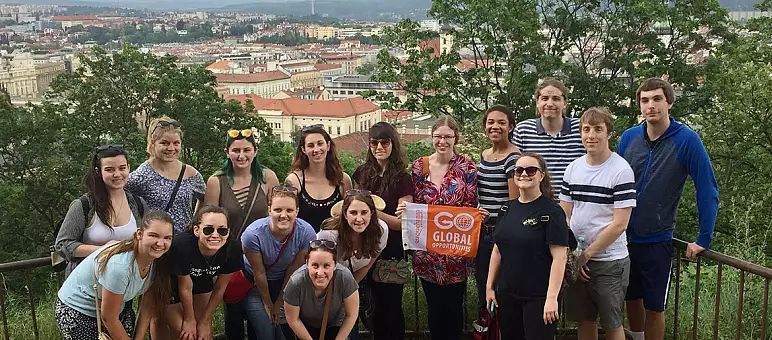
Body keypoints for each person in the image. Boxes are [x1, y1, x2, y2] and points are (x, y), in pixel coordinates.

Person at [617, 78, 719, 340]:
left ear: (669, 103)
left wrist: (704, 237)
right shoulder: (629, 138)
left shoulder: (687, 140)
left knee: (654, 306)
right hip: (622, 237)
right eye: (645, 100)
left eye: (657, 99)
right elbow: (612, 183)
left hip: (657, 238)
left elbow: (707, 189)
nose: (651, 106)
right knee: (631, 298)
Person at [396, 115, 477, 340]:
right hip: (427, 250)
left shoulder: (467, 167)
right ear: (432, 137)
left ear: (456, 138)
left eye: (447, 136)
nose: (442, 141)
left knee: (453, 306)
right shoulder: (419, 166)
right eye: (438, 136)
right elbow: (414, 203)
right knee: (434, 305)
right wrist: (406, 209)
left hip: (455, 249)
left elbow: (469, 206)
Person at [559, 108, 636, 340]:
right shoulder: (573, 168)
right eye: (586, 129)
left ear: (608, 133)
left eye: (597, 129)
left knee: (612, 323)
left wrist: (588, 254)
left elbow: (620, 224)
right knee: (584, 320)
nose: (591, 135)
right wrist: (574, 253)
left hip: (609, 261)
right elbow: (565, 212)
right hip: (578, 258)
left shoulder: (621, 170)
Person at [203, 128, 280, 340]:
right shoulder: (216, 182)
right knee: (233, 316)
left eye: (247, 149)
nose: (241, 155)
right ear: (227, 152)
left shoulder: (268, 178)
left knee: (259, 316)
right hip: (229, 258)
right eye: (235, 150)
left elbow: (277, 214)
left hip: (261, 257)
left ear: (255, 151)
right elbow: (208, 223)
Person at [486, 153, 569, 340]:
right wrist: (489, 287)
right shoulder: (506, 209)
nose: (524, 174)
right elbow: (497, 250)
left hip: (539, 296)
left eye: (531, 170)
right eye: (519, 170)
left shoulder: (552, 212)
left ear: (541, 175)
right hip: (508, 294)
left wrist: (551, 299)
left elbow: (559, 257)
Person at [56, 211, 174, 340]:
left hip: (114, 309)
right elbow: (108, 317)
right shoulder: (120, 266)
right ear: (139, 234)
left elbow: (147, 305)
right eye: (154, 235)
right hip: (78, 309)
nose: (160, 243)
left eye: (167, 238)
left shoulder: (157, 261)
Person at [351, 122, 412, 340]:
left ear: (393, 144)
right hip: (364, 247)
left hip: (391, 251)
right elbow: (352, 209)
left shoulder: (403, 179)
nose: (379, 147)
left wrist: (370, 213)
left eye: (384, 142)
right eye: (374, 142)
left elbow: (401, 223)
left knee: (391, 309)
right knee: (369, 308)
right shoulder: (360, 173)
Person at [56, 145, 148, 278]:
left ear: (129, 167)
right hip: (86, 284)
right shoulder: (84, 205)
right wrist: (106, 250)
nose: (117, 174)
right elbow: (63, 245)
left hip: (123, 283)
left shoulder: (138, 204)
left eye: (122, 168)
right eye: (109, 170)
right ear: (98, 171)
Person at [241, 186, 317, 340]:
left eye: (289, 210)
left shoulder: (306, 232)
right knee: (266, 331)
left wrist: (280, 302)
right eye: (278, 210)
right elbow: (259, 272)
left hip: (286, 283)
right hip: (255, 285)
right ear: (269, 210)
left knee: (284, 333)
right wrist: (269, 304)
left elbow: (294, 269)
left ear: (297, 211)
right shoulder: (252, 235)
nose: (284, 215)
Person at [160, 206, 242, 340]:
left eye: (221, 230)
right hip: (171, 282)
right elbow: (185, 286)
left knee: (203, 334)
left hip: (202, 280)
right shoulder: (182, 245)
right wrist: (189, 320)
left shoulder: (233, 249)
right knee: (184, 332)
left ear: (227, 232)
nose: (215, 235)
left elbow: (220, 287)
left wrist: (205, 320)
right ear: (197, 231)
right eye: (209, 229)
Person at [317, 191, 389, 340]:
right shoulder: (329, 235)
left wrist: (348, 290)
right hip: (325, 283)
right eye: (353, 212)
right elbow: (320, 269)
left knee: (350, 325)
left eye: (364, 212)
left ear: (372, 213)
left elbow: (368, 264)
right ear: (344, 214)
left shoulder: (381, 231)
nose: (359, 218)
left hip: (352, 282)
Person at [475, 105, 520, 317]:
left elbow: (514, 203)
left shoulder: (513, 158)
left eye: (501, 122)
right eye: (490, 122)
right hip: (482, 233)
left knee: (501, 293)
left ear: (510, 127)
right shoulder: (484, 155)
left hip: (501, 234)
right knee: (484, 289)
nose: (495, 126)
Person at [127, 116, 206, 233]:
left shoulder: (191, 174)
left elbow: (204, 198)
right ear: (153, 144)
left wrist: (194, 222)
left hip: (184, 241)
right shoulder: (141, 176)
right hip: (155, 242)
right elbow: (118, 199)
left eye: (176, 143)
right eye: (164, 143)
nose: (171, 148)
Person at [513, 79, 585, 193]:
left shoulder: (581, 128)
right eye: (545, 98)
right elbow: (516, 173)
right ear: (537, 102)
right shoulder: (523, 131)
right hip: (536, 204)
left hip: (574, 204)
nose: (550, 104)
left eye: (556, 98)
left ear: (565, 103)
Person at [282, 240, 359, 340]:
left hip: (335, 321)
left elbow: (351, 315)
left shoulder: (345, 277)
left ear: (335, 265)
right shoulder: (296, 282)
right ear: (307, 263)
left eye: (326, 265)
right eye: (315, 265)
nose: (320, 272)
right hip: (302, 322)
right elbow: (293, 319)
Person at [285, 125, 353, 232]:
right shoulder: (295, 181)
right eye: (311, 145)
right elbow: (287, 217)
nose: (316, 149)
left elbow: (350, 216)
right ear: (303, 149)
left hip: (335, 243)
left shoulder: (343, 180)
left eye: (320, 144)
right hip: (304, 244)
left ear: (328, 146)